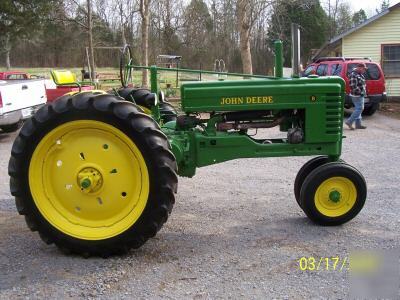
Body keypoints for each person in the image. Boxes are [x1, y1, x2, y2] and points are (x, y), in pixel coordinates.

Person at [345, 63, 368, 130]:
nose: (364, 70)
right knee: (360, 109)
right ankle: (349, 122)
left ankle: (358, 125)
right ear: (360, 68)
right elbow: (353, 86)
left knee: (358, 109)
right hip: (357, 95)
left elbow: (361, 84)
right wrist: (360, 92)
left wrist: (363, 92)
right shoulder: (353, 75)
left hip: (360, 94)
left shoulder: (359, 74)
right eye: (363, 69)